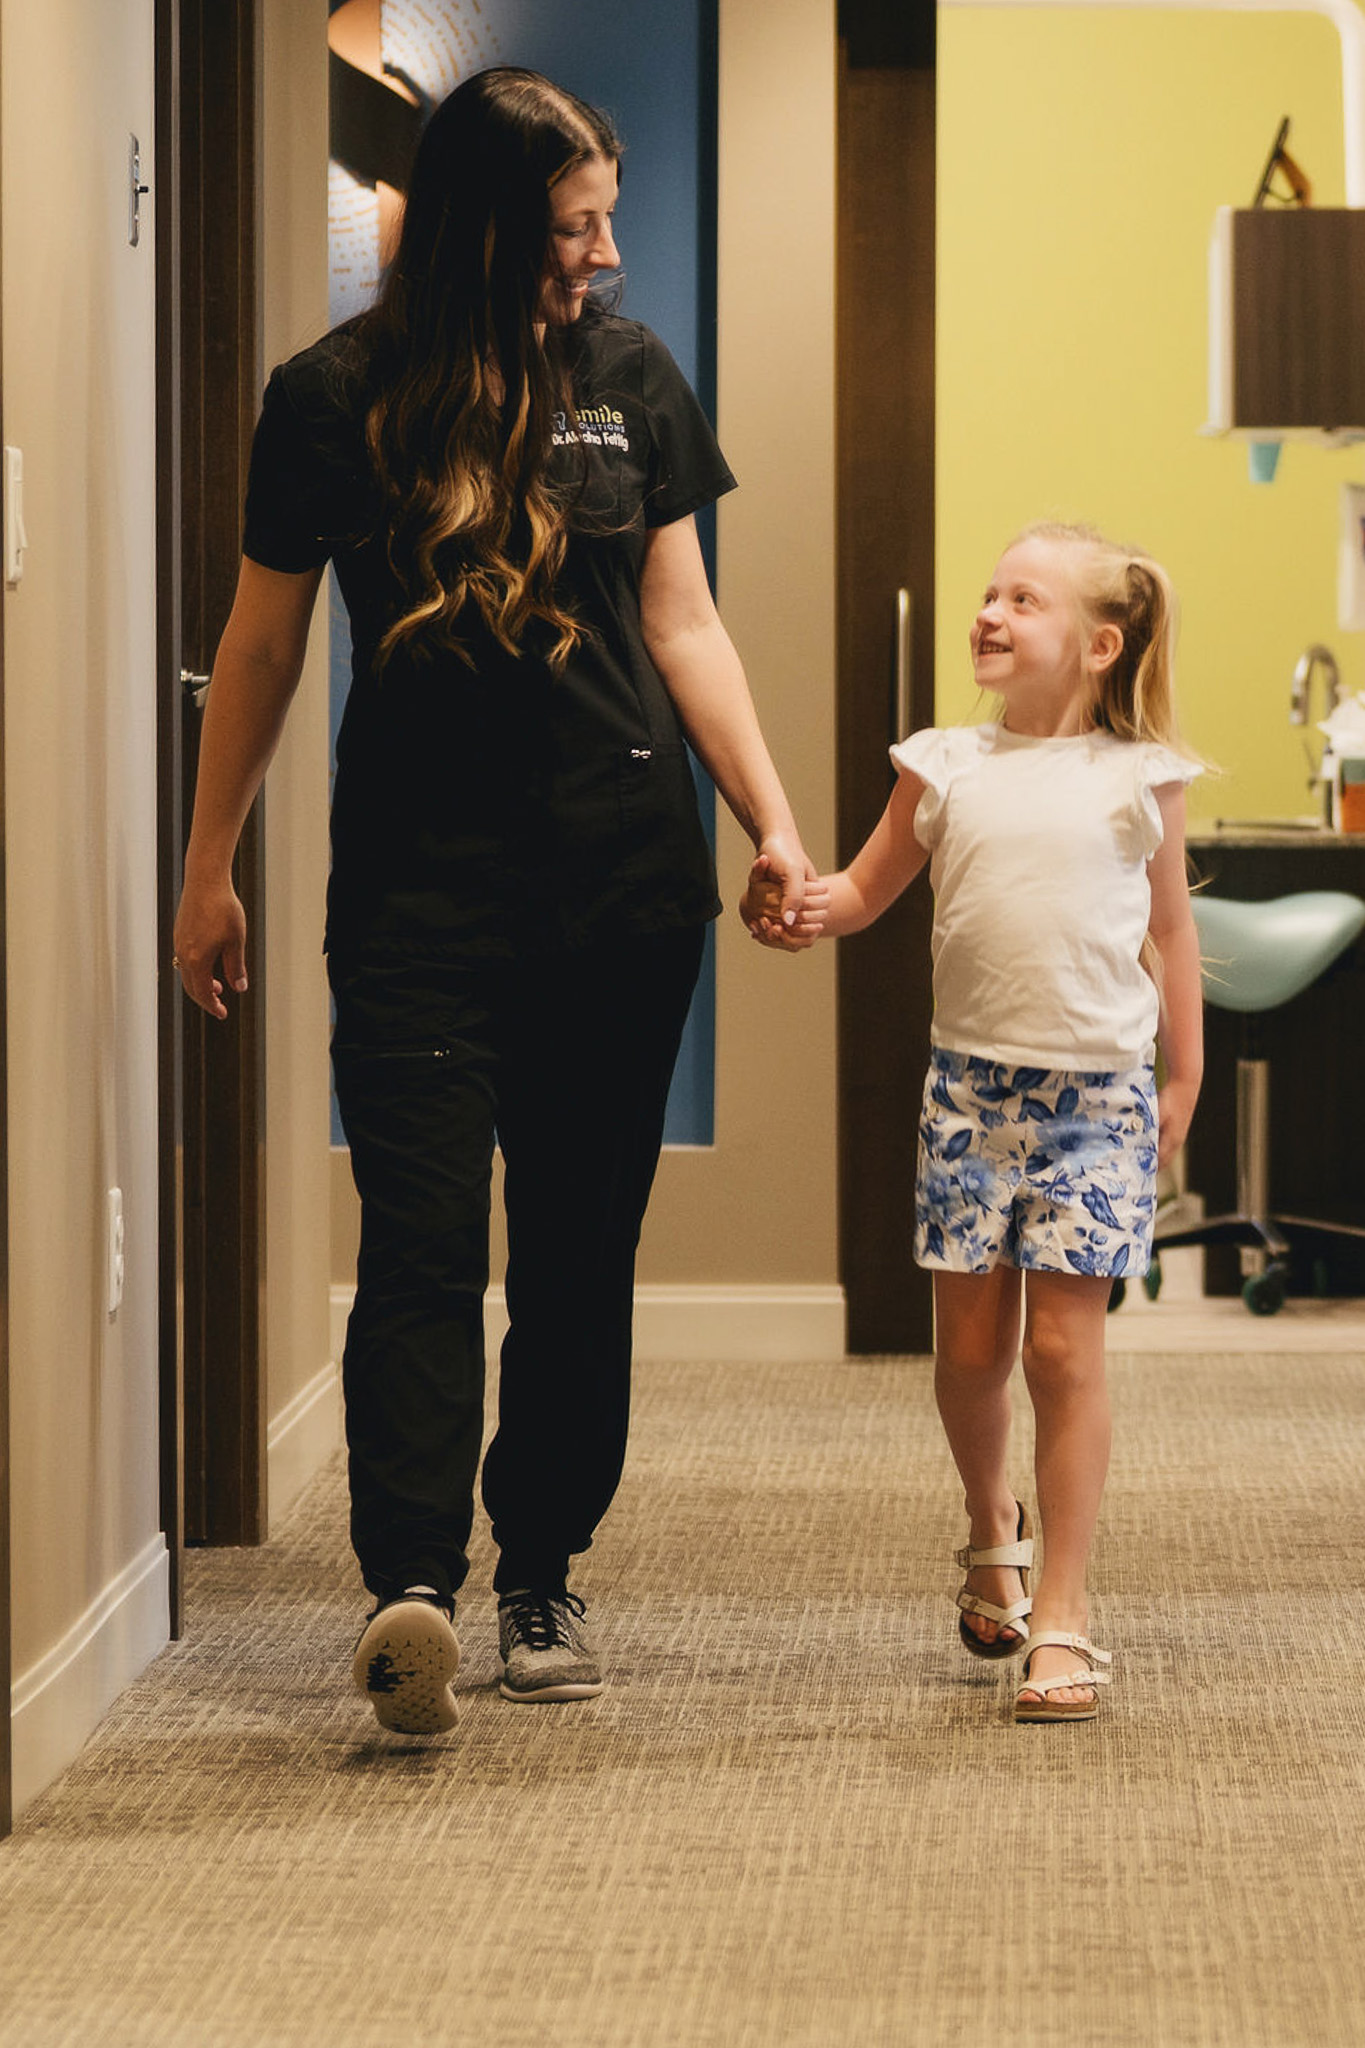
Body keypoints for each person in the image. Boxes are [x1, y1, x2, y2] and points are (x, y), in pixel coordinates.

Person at [173, 67, 813, 1737]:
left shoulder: (631, 379)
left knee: (581, 1256)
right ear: (480, 233)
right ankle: (411, 1588)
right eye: (572, 229)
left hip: (622, 890)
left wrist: (775, 820)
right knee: (422, 1246)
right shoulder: (334, 396)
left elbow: (683, 624)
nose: (601, 257)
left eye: (602, 224)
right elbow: (258, 644)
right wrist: (207, 860)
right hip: (416, 898)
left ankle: (539, 1564)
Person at [746, 522, 1203, 1722]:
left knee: (1063, 1352)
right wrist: (798, 900)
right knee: (967, 1355)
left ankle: (1064, 1607)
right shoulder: (943, 763)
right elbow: (862, 890)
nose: (992, 613)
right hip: (970, 1096)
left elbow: (1172, 932)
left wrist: (1184, 1076)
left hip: (1096, 1095)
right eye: (989, 594)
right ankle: (987, 1522)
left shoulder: (1141, 776)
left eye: (1025, 600)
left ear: (1099, 645)